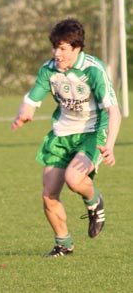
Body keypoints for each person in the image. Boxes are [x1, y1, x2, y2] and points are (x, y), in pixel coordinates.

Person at [12, 18, 121, 257]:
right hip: (61, 135)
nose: (56, 53)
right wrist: (24, 114)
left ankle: (94, 202)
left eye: (62, 48)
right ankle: (64, 244)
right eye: (54, 47)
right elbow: (32, 99)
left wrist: (110, 146)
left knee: (74, 179)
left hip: (92, 132)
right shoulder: (49, 70)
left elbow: (114, 111)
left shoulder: (93, 69)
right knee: (48, 195)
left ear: (76, 48)